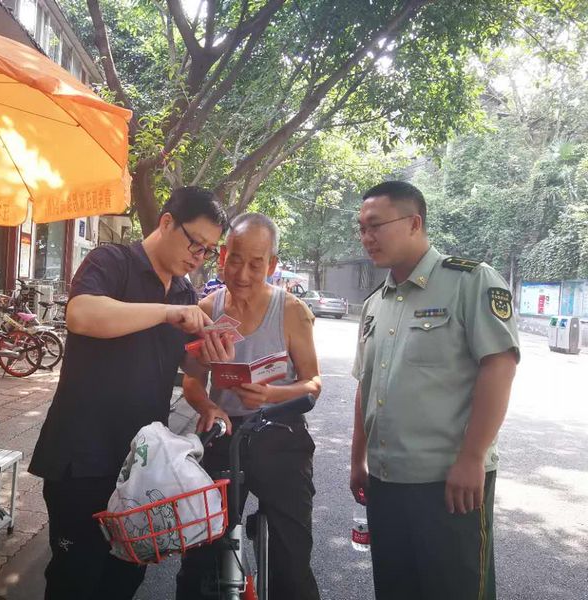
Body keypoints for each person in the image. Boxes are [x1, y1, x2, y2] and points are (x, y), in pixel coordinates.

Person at [28, 186, 234, 600]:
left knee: (123, 581)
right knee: (74, 579)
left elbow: (185, 367)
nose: (199, 257)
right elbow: (82, 314)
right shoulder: (112, 261)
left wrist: (210, 358)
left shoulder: (183, 293)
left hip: (142, 466)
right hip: (83, 459)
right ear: (167, 222)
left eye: (209, 251)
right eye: (195, 243)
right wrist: (166, 313)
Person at [349, 181, 520, 600]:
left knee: (455, 589)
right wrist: (358, 459)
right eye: (362, 228)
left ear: (414, 223)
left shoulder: (470, 281)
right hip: (386, 481)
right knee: (396, 589)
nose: (367, 237)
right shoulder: (375, 304)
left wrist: (472, 458)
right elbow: (365, 386)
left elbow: (499, 366)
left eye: (375, 225)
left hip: (450, 482)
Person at [176, 213, 322, 600]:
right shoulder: (207, 309)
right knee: (200, 554)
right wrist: (207, 406)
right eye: (236, 259)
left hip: (280, 433)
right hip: (223, 434)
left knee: (291, 561)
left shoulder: (292, 311)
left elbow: (313, 383)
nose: (242, 273)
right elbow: (192, 380)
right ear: (223, 256)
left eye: (256, 264)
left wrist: (272, 396)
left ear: (271, 265)